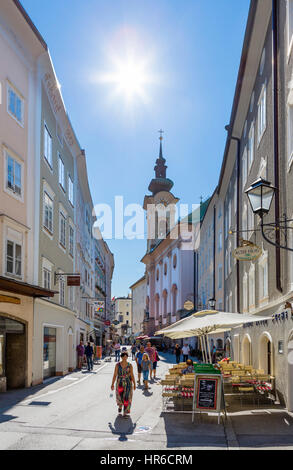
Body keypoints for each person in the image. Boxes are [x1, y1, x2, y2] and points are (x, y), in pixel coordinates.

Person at [111, 351, 136, 417]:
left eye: (126, 356)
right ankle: (120, 406)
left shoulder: (130, 365)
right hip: (120, 382)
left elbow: (132, 375)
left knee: (127, 397)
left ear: (127, 357)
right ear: (121, 357)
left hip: (128, 383)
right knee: (120, 396)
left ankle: (125, 412)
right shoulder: (117, 365)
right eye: (124, 356)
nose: (125, 358)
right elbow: (115, 375)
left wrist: (134, 383)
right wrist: (112, 384)